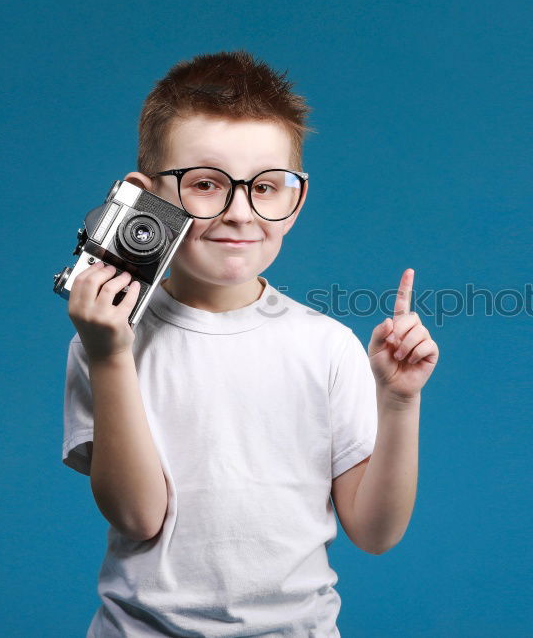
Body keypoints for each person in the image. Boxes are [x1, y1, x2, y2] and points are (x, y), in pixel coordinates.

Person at [61, 50, 439, 637]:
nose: (241, 213)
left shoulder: (328, 347)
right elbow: (138, 518)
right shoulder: (107, 338)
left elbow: (375, 532)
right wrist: (110, 355)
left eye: (267, 186)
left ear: (297, 202)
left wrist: (399, 404)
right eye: (206, 184)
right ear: (141, 196)